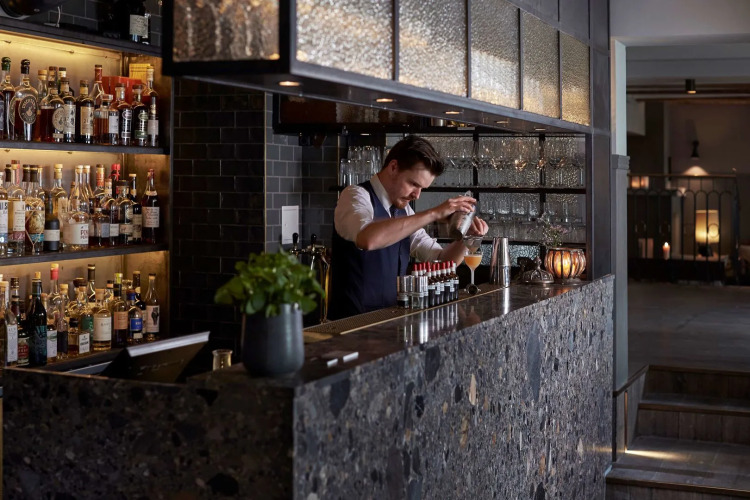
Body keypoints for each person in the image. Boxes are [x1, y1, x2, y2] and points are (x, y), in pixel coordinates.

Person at [329, 135, 489, 320]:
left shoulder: (404, 210)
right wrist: (434, 213)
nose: (417, 195)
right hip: (351, 325)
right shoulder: (355, 196)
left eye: (422, 188)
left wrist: (466, 239)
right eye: (413, 184)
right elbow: (367, 239)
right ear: (393, 167)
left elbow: (442, 260)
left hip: (390, 323)